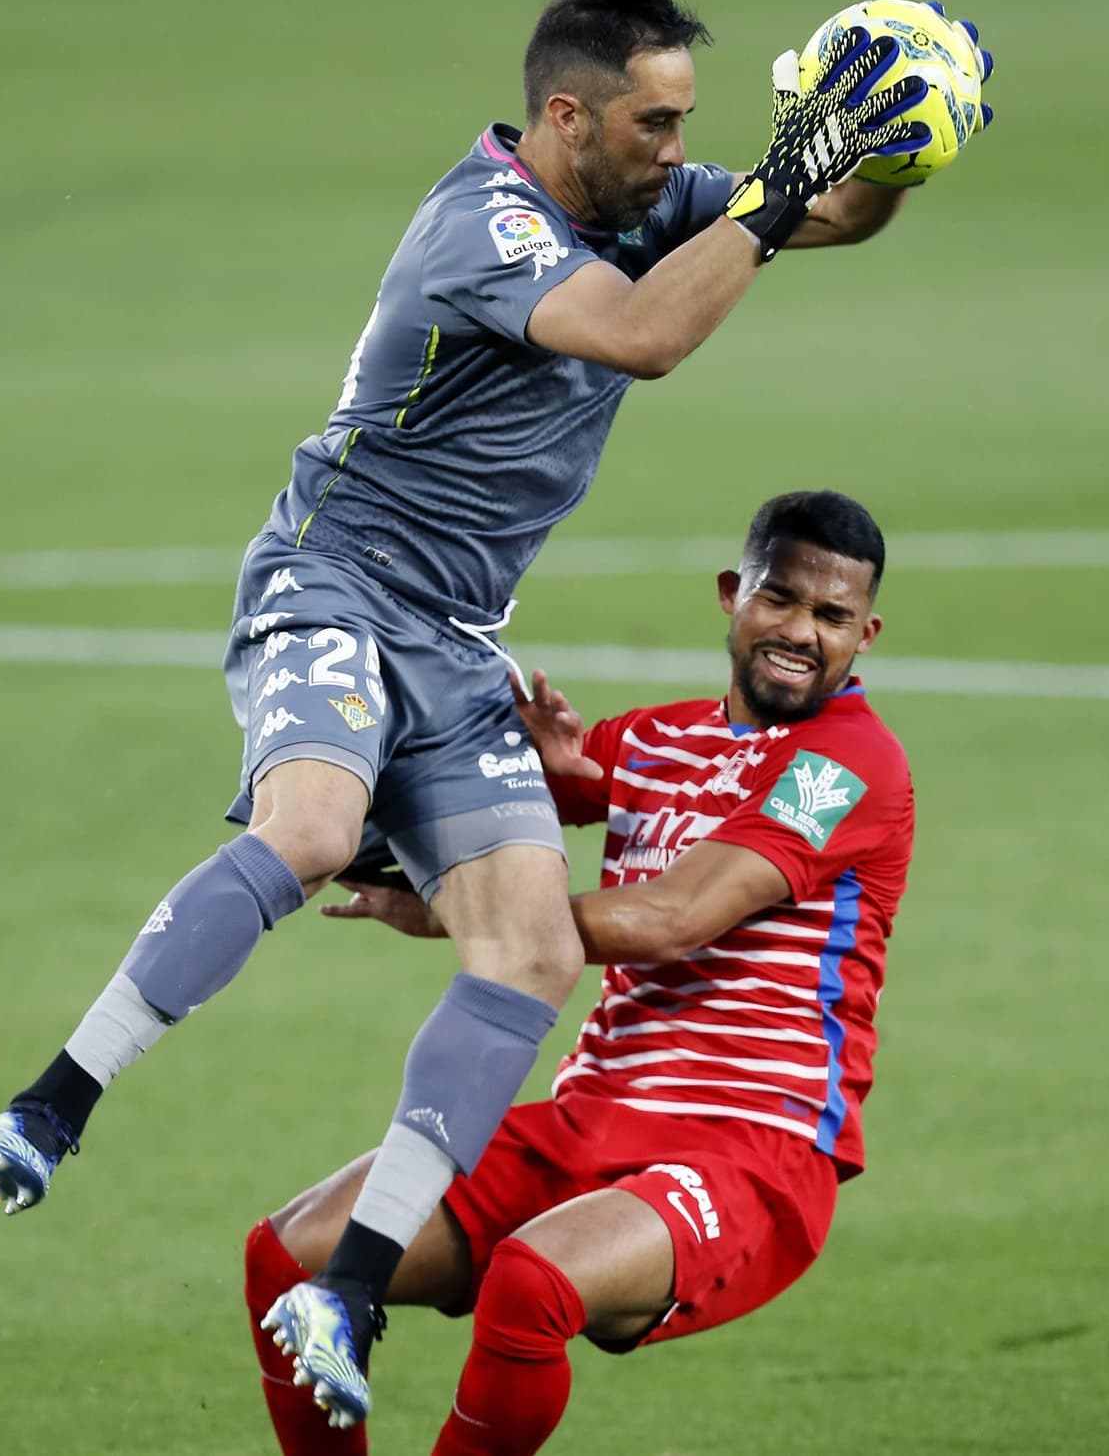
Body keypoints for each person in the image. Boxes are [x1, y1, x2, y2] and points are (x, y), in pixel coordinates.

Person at [0, 0, 959, 1426]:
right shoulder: (489, 226)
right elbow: (645, 338)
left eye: (691, 122)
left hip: (457, 640)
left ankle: (351, 1282)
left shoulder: (644, 203)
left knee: (526, 955)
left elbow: (827, 215)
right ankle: (54, 1101)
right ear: (568, 116)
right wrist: (784, 176)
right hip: (336, 581)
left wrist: (889, 141)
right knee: (310, 829)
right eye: (658, 121)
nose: (684, 148)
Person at [246, 489, 915, 1454]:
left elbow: (673, 918)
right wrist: (360, 787)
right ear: (733, 594)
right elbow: (508, 802)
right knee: (289, 1257)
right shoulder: (650, 740)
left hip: (749, 1147)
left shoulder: (849, 766)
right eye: (780, 599)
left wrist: (452, 915)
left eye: (832, 616)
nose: (801, 632)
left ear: (867, 633)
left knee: (532, 1281)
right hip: (589, 1118)